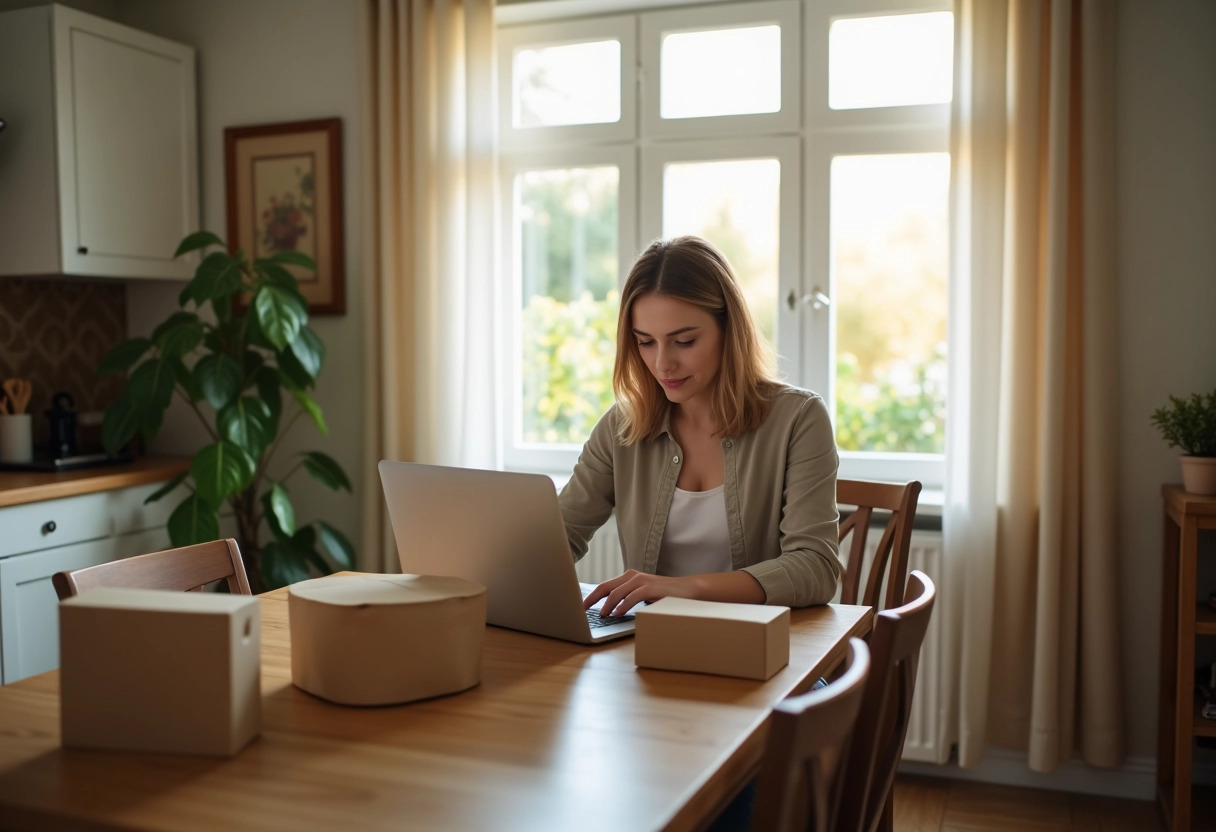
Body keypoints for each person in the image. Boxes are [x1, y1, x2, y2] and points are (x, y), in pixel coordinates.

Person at [560, 235, 842, 620]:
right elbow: (561, 535)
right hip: (650, 649)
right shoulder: (621, 426)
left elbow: (816, 568)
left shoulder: (798, 418)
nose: (662, 364)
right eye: (645, 342)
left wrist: (682, 589)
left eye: (684, 341)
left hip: (769, 651)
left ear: (730, 330)